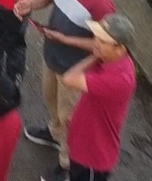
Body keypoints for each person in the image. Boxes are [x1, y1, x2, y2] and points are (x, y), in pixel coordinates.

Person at [16, 0, 115, 175]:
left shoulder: (100, 2)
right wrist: (30, 2)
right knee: (51, 100)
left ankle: (67, 163)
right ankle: (54, 133)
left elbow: (104, 45)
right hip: (52, 57)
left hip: (74, 69)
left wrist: (65, 39)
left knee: (70, 116)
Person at [60, 14, 138, 181]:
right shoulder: (110, 61)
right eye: (96, 37)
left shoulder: (119, 79)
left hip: (92, 157)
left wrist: (95, 55)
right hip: (82, 143)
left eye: (102, 41)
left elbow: (69, 79)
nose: (96, 42)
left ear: (120, 49)